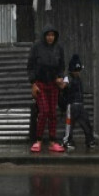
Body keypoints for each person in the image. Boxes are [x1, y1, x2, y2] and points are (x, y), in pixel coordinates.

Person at [27, 23, 66, 153]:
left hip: (53, 84)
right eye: (48, 35)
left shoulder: (59, 48)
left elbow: (62, 66)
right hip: (40, 84)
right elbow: (30, 66)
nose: (50, 38)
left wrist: (60, 77)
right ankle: (38, 141)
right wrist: (33, 84)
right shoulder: (36, 47)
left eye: (52, 35)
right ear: (44, 36)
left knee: (53, 114)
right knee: (43, 111)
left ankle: (52, 142)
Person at [60, 54, 97, 150]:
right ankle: (67, 141)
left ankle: (90, 140)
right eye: (76, 70)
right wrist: (64, 83)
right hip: (71, 105)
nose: (77, 72)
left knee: (86, 123)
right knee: (69, 124)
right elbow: (62, 86)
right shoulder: (68, 77)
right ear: (71, 70)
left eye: (79, 70)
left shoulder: (79, 79)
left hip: (80, 105)